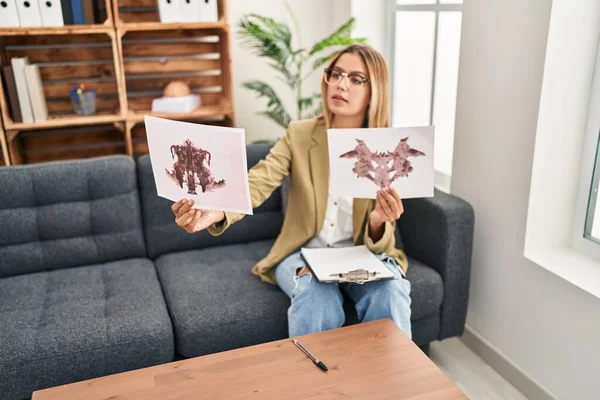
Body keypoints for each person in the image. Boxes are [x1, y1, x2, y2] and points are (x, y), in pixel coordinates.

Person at [171, 44, 412, 339]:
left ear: (376, 90)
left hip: (365, 254)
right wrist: (217, 209)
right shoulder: (300, 134)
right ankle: (315, 384)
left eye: (355, 78)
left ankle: (388, 381)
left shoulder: (387, 147)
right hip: (304, 252)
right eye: (335, 74)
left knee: (390, 291)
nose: (340, 83)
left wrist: (377, 220)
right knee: (315, 296)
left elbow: (381, 238)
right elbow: (261, 179)